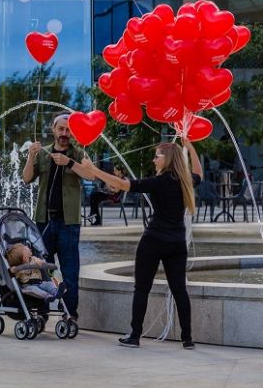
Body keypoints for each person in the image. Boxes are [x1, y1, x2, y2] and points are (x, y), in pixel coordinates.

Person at [82, 138, 202, 349]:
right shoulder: (185, 180)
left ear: (167, 159)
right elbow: (199, 173)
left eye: (157, 156)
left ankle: (135, 335)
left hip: (154, 241)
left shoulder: (158, 182)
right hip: (177, 242)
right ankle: (187, 339)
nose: (154, 159)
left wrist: (93, 169)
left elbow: (122, 184)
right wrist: (189, 146)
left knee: (142, 288)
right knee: (179, 290)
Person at [22, 113, 95, 321]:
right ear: (53, 130)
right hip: (43, 221)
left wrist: (69, 162)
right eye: (61, 129)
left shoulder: (79, 153)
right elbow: (27, 178)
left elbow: (91, 175)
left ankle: (70, 314)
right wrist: (30, 157)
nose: (64, 134)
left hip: (68, 223)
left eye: (68, 130)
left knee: (70, 271)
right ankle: (41, 313)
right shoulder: (43, 153)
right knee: (41, 269)